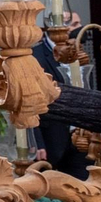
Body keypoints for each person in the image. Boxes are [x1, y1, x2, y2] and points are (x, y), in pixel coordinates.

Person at [29, 12, 87, 178]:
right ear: (60, 29)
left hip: (80, 136)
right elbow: (30, 101)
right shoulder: (35, 56)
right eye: (75, 25)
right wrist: (36, 141)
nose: (81, 29)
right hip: (51, 137)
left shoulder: (78, 53)